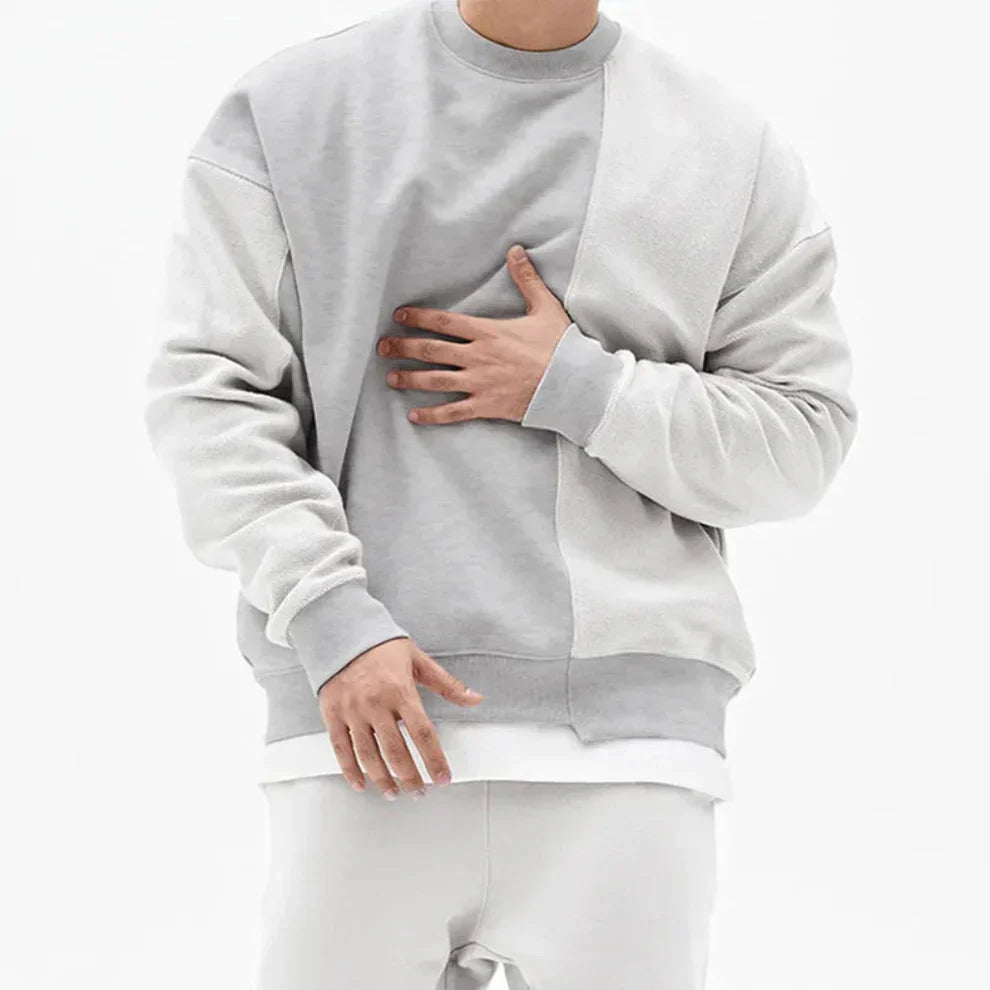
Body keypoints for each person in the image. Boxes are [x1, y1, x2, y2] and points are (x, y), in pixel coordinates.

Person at [143, 0, 858, 987]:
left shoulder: (727, 148)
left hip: (628, 752)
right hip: (360, 731)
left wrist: (577, 385)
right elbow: (208, 400)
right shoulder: (292, 112)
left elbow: (803, 437)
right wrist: (331, 617)